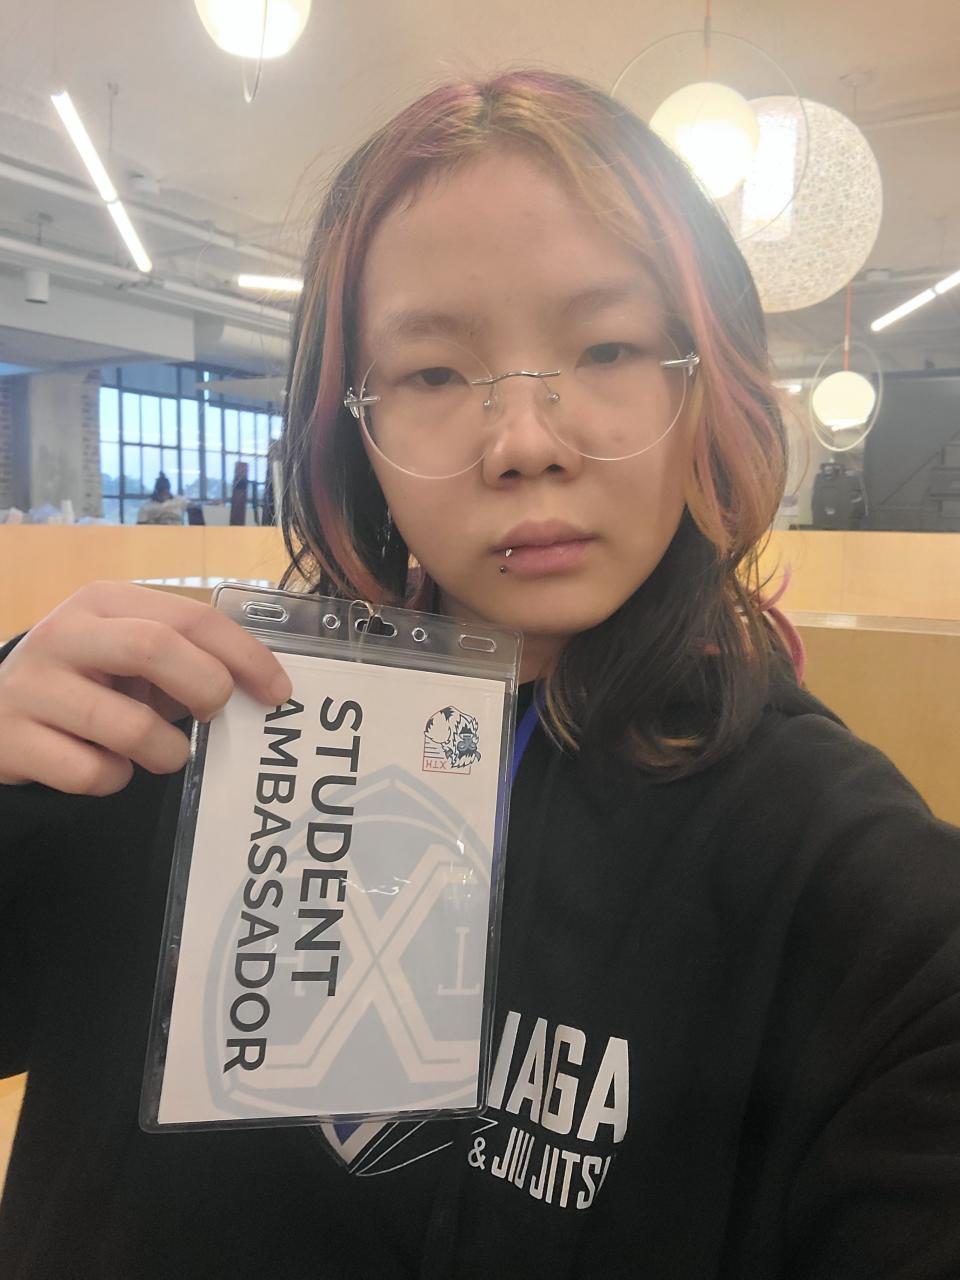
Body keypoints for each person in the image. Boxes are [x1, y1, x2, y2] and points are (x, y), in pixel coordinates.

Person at [1, 70, 959, 1279]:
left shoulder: (849, 885)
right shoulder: (181, 727)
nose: (523, 442)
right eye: (436, 373)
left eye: (607, 347)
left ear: (706, 381)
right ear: (354, 423)